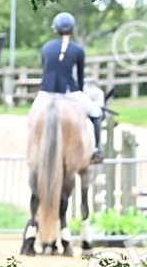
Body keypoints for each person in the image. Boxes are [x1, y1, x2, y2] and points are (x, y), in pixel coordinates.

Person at [40, 12, 104, 163]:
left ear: (55, 29)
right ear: (72, 29)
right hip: (69, 91)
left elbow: (44, 71)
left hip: (46, 92)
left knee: (32, 117)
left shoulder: (46, 47)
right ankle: (96, 149)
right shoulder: (78, 50)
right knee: (96, 112)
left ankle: (32, 146)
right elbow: (80, 77)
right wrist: (79, 91)